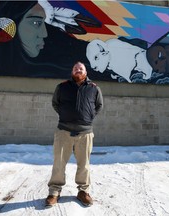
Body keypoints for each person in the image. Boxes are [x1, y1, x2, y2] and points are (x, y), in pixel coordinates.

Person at [45, 61, 103, 207]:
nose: (78, 70)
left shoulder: (94, 88)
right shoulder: (62, 87)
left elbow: (98, 106)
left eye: (81, 68)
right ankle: (54, 192)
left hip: (85, 133)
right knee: (59, 163)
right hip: (63, 131)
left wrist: (87, 117)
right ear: (72, 72)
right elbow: (55, 103)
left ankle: (83, 191)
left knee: (84, 164)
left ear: (86, 72)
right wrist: (66, 115)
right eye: (75, 68)